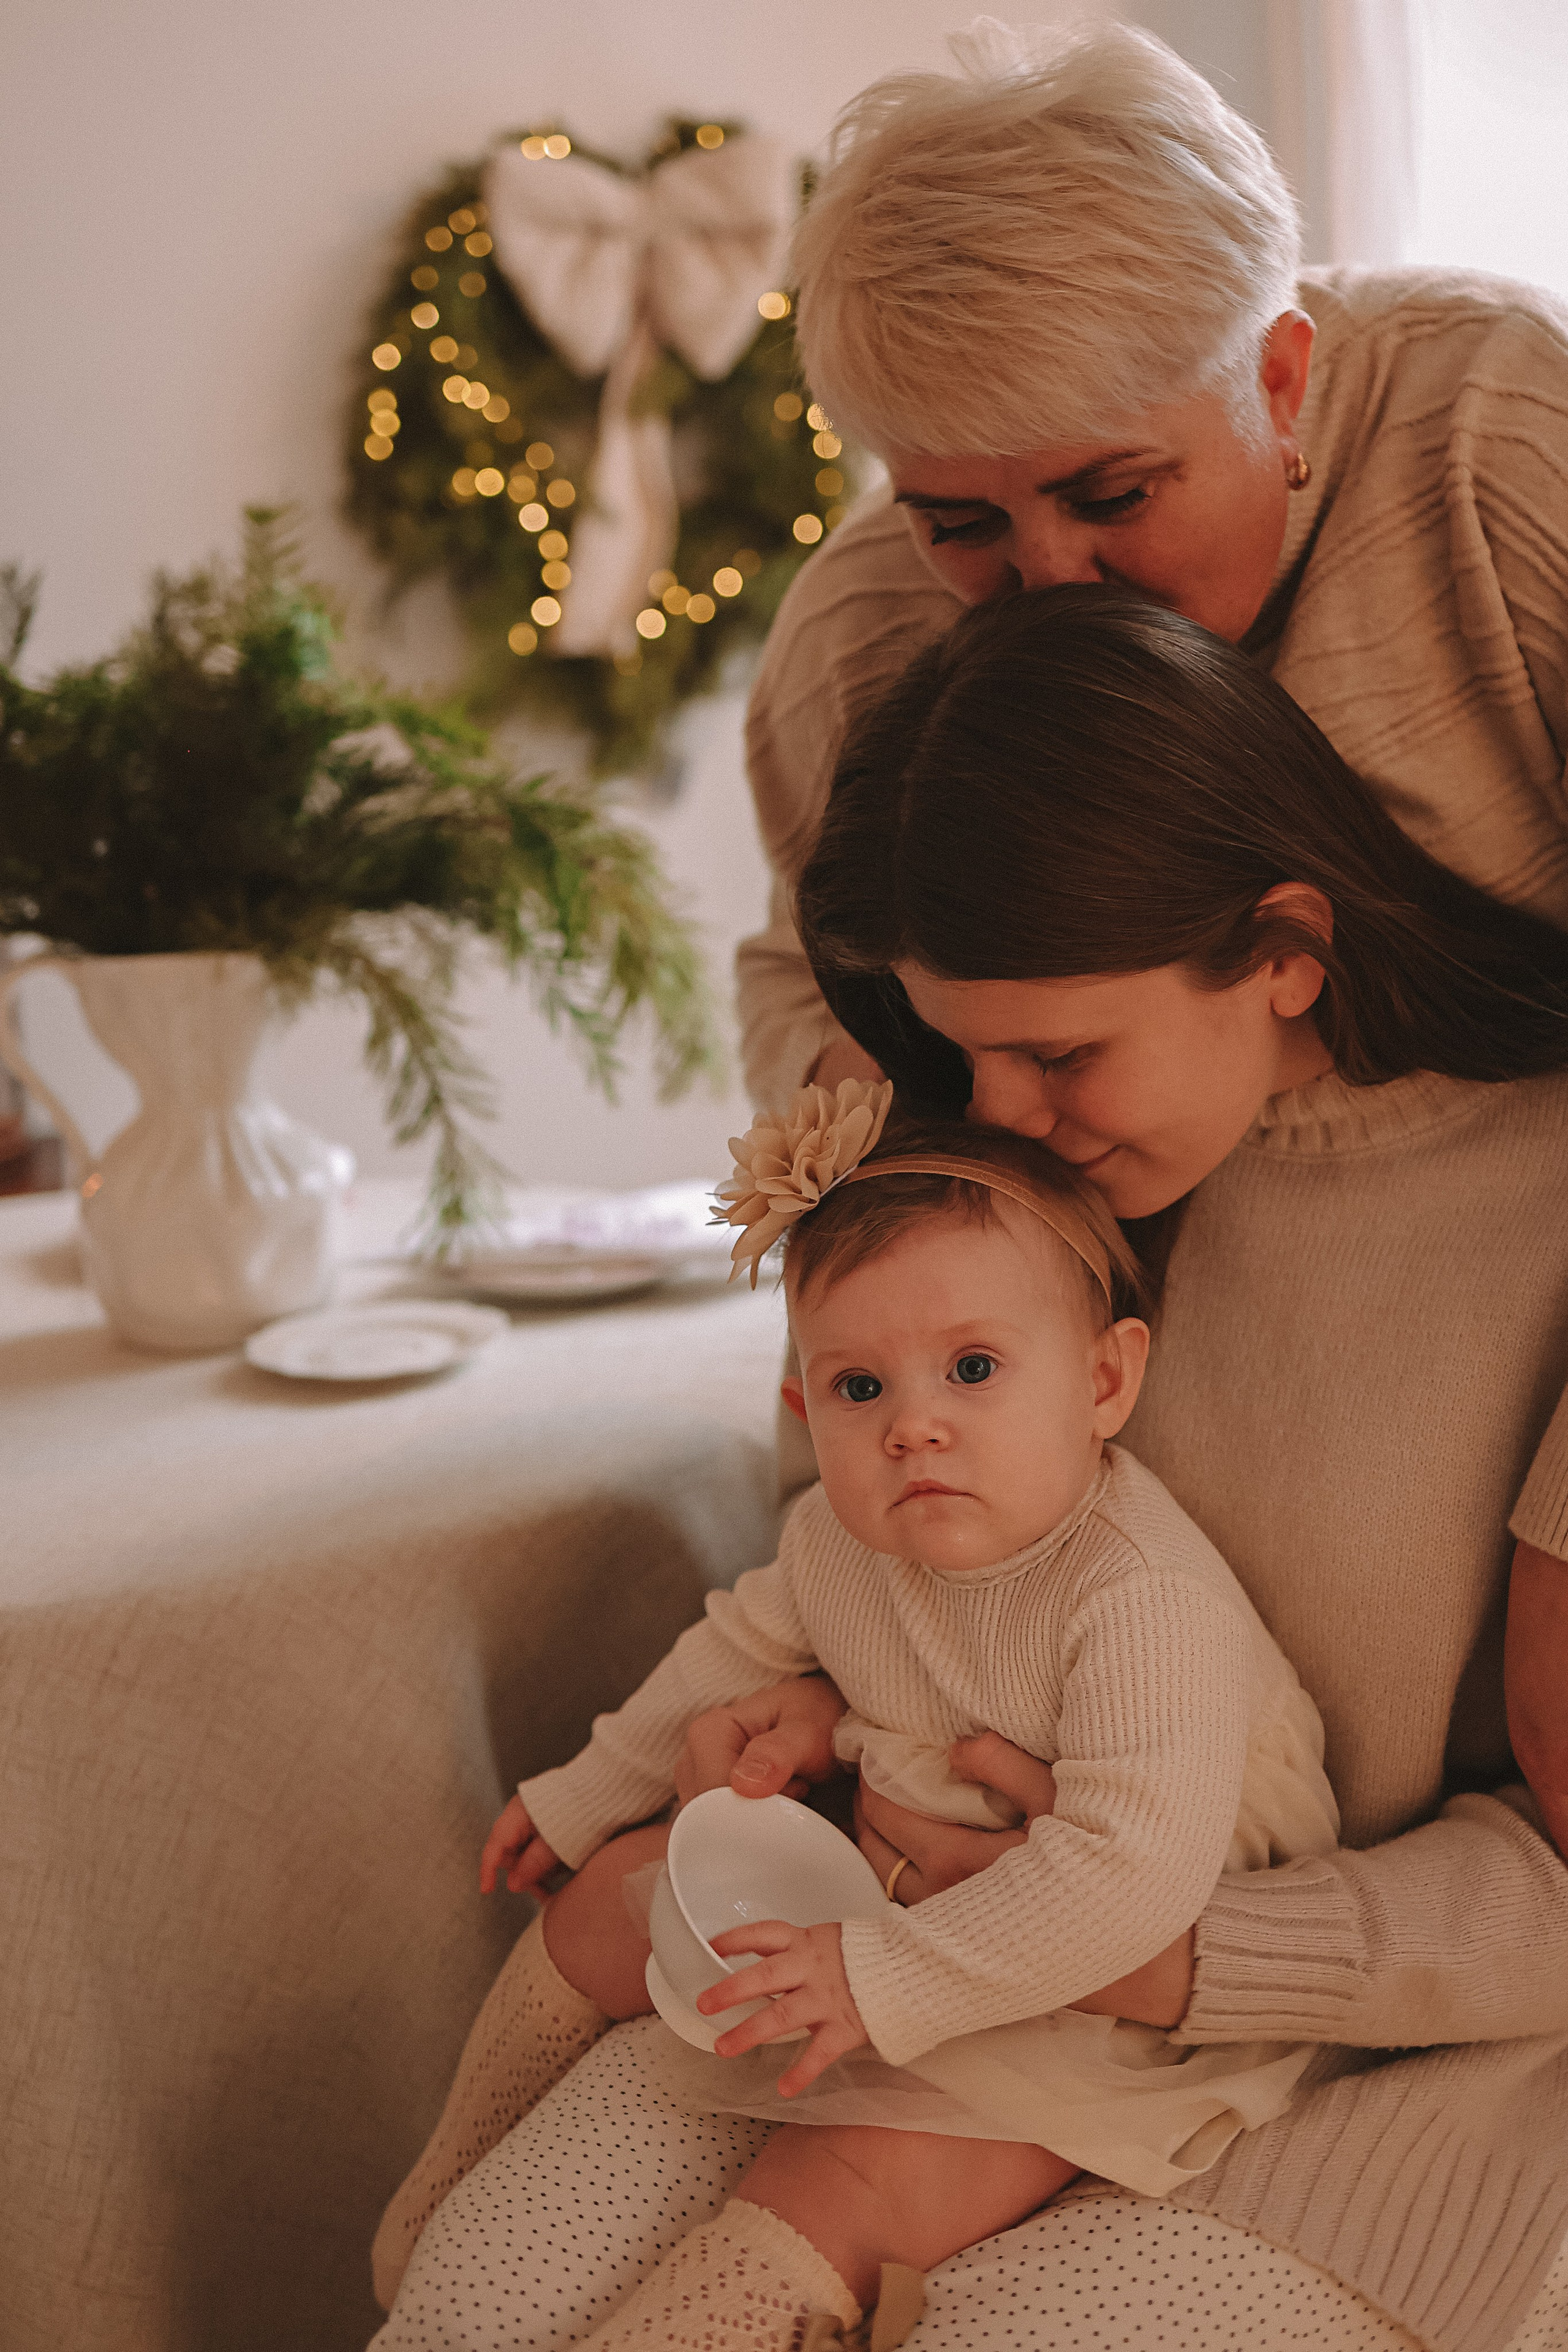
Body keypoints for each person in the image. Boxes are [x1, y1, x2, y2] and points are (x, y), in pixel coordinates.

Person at [374, 587, 1568, 2352]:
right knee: (479, 2300)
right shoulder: (994, 1186)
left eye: (1061, 1054)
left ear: (1285, 949)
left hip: (1380, 2028)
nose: (1000, 1116)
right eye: (968, 1052)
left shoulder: (1533, 1203)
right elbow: (843, 1560)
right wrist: (796, 1724)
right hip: (907, 1936)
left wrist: (1180, 1954)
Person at [374, 1100, 1344, 2343]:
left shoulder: (1138, 1598)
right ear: (804, 1404)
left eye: (973, 1370)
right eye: (859, 1386)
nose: (910, 1425)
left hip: (1111, 1985)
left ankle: (699, 2322)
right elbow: (731, 1652)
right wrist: (587, 1792)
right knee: (607, 1895)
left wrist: (877, 1978)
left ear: (1104, 1381)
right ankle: (450, 2176)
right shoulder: (841, 1541)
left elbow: (1130, 1878)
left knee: (847, 2175)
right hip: (906, 1889)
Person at [739, 20, 1568, 1118]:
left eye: (1114, 495)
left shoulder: (1512, 435)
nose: (1052, 581)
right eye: (960, 523)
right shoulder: (855, 640)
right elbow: (802, 984)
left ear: (1278, 380)